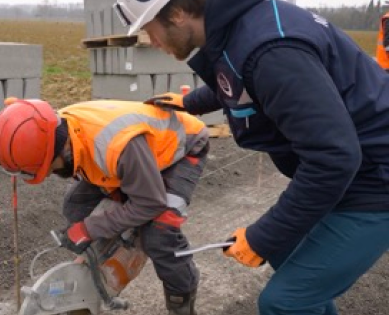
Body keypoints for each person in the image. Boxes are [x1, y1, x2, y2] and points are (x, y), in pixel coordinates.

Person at [113, 0, 389, 314]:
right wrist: (191, 101)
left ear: (176, 13)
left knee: (285, 302)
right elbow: (242, 76)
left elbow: (334, 157)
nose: (152, 42)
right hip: (356, 171)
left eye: (151, 30)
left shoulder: (271, 50)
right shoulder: (239, 28)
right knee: (289, 258)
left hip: (375, 181)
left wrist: (262, 238)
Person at [0, 98, 210, 315]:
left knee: (159, 235)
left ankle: (182, 302)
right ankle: (98, 275)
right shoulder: (57, 128)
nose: (47, 174)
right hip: (133, 159)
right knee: (76, 205)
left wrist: (89, 229)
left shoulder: (117, 145)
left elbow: (151, 203)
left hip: (180, 149)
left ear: (60, 149)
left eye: (48, 167)